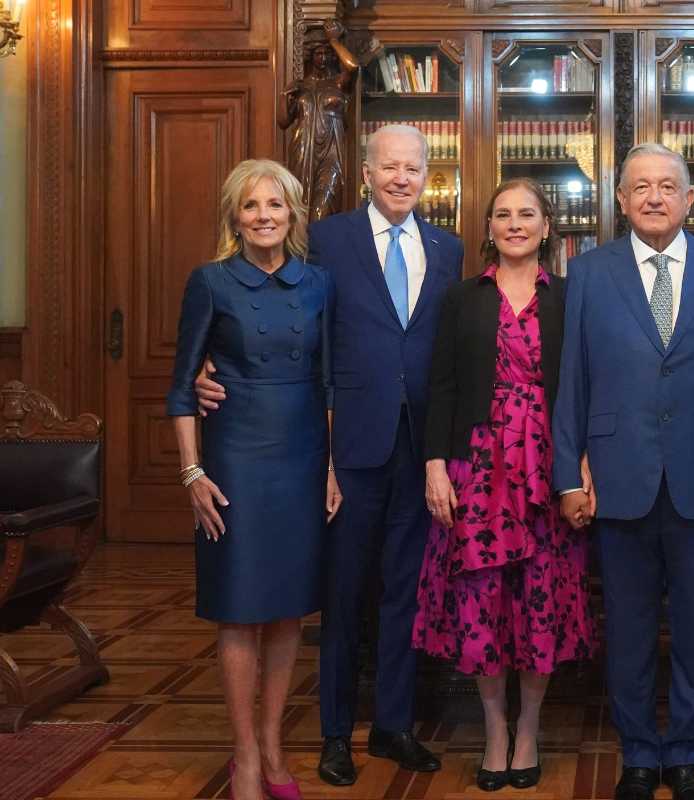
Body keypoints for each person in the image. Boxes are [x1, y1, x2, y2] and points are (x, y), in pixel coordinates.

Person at [195, 124, 465, 787]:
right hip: (345, 446)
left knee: (407, 588)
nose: (401, 177)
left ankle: (395, 724)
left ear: (427, 174)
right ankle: (335, 733)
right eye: (389, 166)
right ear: (367, 173)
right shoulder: (327, 238)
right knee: (343, 592)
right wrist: (210, 360)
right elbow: (284, 313)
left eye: (413, 167)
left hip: (423, 443)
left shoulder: (449, 247)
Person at [553, 142, 694, 800]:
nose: (653, 196)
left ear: (689, 198)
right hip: (619, 479)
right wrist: (566, 474)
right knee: (630, 627)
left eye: (666, 186)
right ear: (619, 200)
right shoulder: (589, 272)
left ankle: (686, 752)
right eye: (639, 186)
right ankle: (640, 751)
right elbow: (573, 384)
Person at [415, 178, 597, 791]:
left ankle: (529, 731)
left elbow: (586, 392)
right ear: (488, 228)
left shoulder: (571, 299)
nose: (515, 224)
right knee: (482, 604)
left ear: (548, 227)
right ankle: (495, 728)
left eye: (527, 214)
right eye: (502, 215)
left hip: (549, 472)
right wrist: (435, 465)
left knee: (541, 600)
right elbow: (439, 386)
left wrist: (584, 466)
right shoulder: (461, 299)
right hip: (477, 469)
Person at [167, 158, 335, 800]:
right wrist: (192, 472)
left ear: (293, 214)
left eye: (276, 205)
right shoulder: (210, 282)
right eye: (250, 206)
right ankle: (243, 757)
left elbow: (329, 381)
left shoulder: (319, 283)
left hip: (301, 457)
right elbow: (183, 386)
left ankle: (273, 747)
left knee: (289, 610)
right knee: (238, 612)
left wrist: (330, 466)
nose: (264, 216)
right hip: (235, 458)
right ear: (233, 217)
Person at [278, 20, 359, 222]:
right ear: (311, 56)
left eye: (327, 54)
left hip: (332, 151)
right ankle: (301, 252)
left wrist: (333, 40)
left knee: (323, 210)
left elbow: (352, 66)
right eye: (319, 54)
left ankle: (319, 252)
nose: (323, 58)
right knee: (299, 211)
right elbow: (283, 122)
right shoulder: (300, 86)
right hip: (303, 149)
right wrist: (284, 96)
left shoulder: (338, 83)